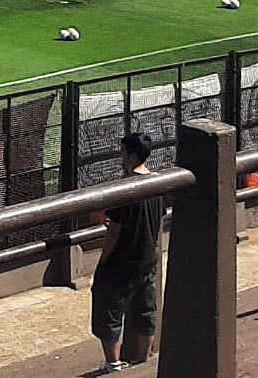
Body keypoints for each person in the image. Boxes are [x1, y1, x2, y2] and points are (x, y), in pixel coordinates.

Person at [91, 133, 164, 372]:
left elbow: (114, 231)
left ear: (131, 156)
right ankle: (143, 359)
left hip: (122, 261)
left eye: (123, 153)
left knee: (108, 308)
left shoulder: (125, 189)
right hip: (147, 258)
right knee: (145, 309)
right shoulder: (157, 183)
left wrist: (103, 262)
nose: (120, 158)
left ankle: (113, 363)